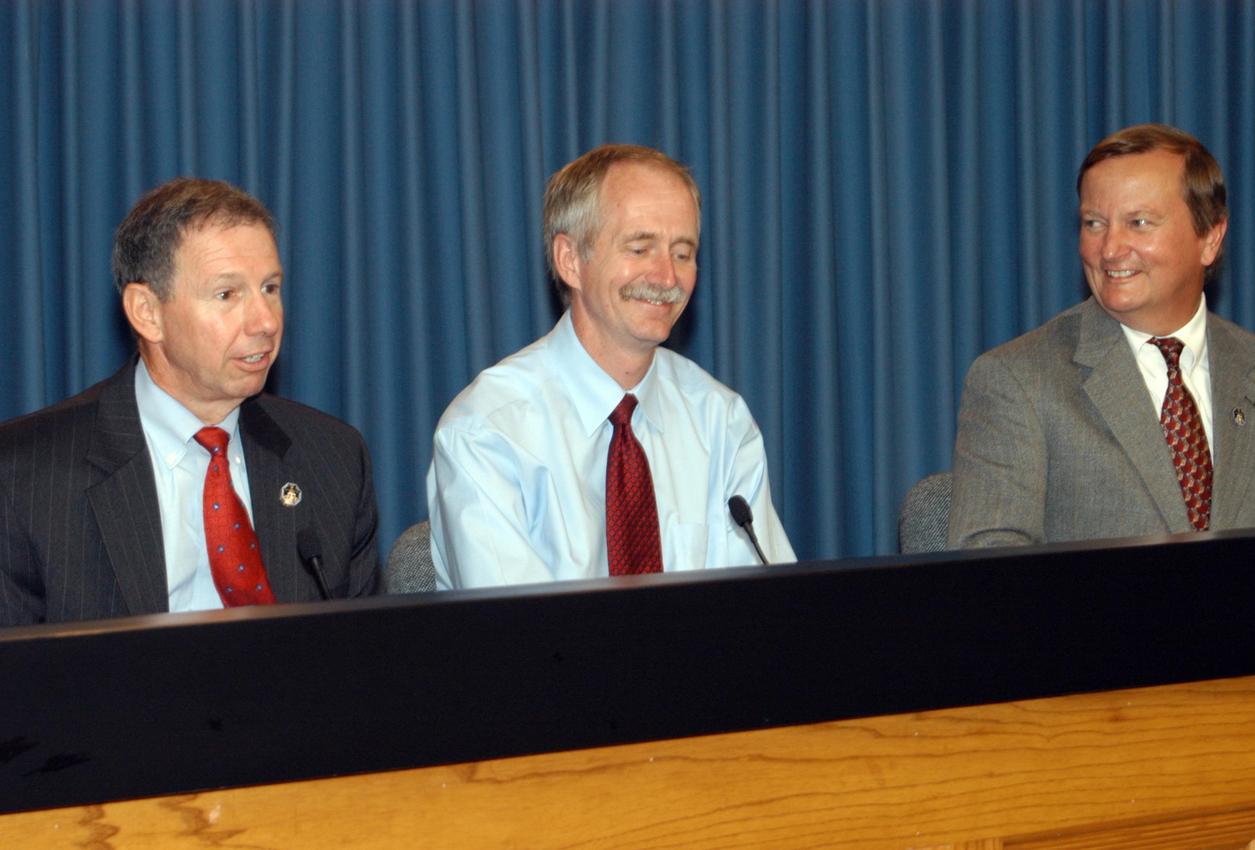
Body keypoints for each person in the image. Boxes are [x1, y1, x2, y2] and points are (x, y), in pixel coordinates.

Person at [0, 178, 379, 626]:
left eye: (270, 288)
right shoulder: (24, 475)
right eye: (227, 294)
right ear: (147, 312)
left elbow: (361, 663)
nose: (264, 321)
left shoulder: (332, 458)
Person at [428, 144, 794, 589]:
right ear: (570, 261)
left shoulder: (721, 421)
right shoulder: (488, 431)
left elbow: (765, 616)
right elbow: (520, 641)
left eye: (682, 253)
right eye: (640, 249)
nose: (666, 277)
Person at [948, 124, 1255, 548]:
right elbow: (990, 574)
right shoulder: (1017, 381)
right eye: (1094, 223)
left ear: (1209, 238)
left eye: (1138, 223)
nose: (1109, 249)